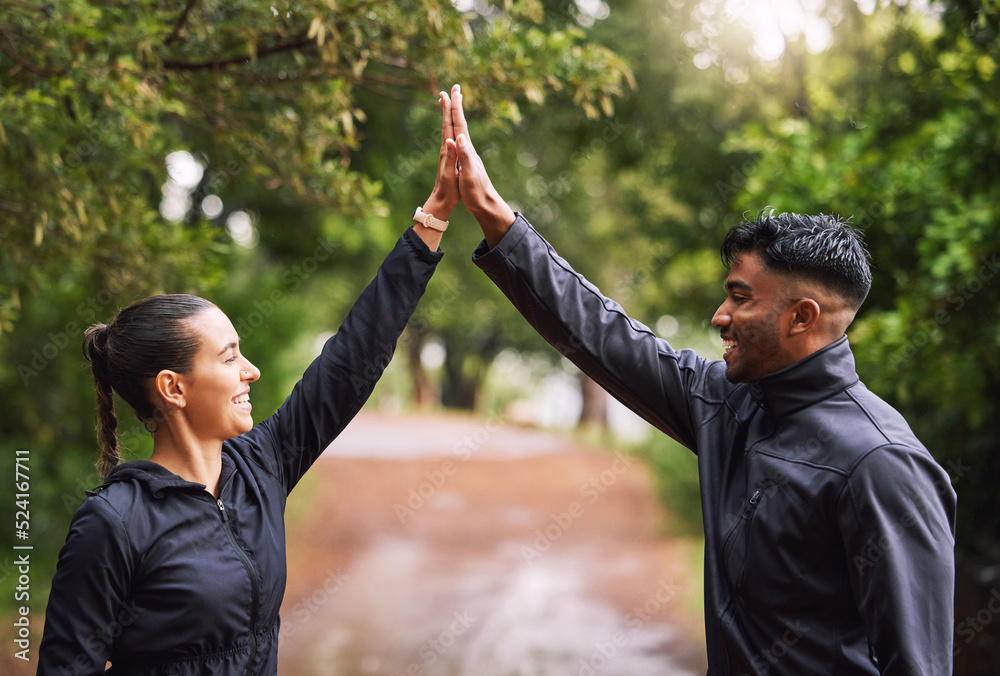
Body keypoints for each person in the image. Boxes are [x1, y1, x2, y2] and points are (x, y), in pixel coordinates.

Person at [445, 85, 957, 674]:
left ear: (802, 317)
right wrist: (492, 214)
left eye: (740, 298)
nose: (720, 317)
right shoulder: (727, 402)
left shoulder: (881, 463)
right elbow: (603, 335)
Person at [36, 87, 463, 675]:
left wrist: (432, 220)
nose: (251, 371)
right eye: (229, 355)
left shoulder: (258, 466)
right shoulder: (115, 524)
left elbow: (350, 362)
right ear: (173, 387)